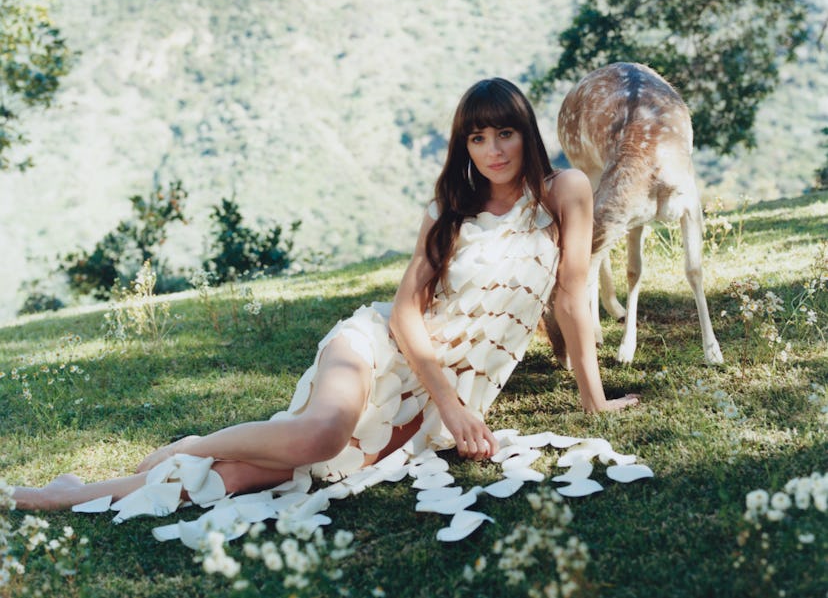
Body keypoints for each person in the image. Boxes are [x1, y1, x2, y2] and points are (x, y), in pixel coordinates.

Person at [13, 78, 638, 512]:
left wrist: (594, 400)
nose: (494, 150)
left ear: (526, 133)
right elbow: (402, 310)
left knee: (247, 481)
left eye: (504, 133)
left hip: (429, 398)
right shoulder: (451, 206)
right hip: (379, 348)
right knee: (320, 438)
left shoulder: (567, 191)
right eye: (478, 139)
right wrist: (450, 403)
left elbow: (572, 297)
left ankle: (73, 492)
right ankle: (187, 446)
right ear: (464, 147)